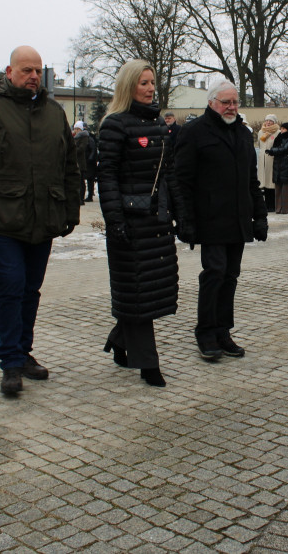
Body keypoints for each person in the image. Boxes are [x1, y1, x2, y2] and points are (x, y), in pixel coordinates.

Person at [0, 46, 81, 395]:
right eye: (26, 70)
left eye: (38, 71)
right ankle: (10, 362)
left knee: (30, 290)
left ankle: (23, 352)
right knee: (10, 288)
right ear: (9, 71)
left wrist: (71, 210)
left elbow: (70, 166)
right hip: (3, 221)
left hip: (44, 219)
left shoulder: (54, 113)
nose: (33, 76)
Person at [98, 60, 180, 388]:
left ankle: (121, 342)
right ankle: (148, 364)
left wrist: (175, 213)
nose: (149, 88)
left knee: (144, 291)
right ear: (128, 86)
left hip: (155, 220)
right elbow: (106, 177)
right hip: (129, 223)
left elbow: (168, 175)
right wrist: (115, 220)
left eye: (152, 82)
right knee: (137, 290)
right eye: (142, 83)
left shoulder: (159, 124)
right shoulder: (114, 125)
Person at [174, 79, 267, 361]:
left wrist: (260, 216)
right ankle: (205, 333)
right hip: (210, 218)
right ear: (212, 102)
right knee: (214, 273)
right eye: (226, 102)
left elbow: (252, 179)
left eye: (235, 102)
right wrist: (184, 220)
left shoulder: (242, 132)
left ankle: (223, 331)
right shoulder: (194, 132)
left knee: (230, 276)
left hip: (238, 219)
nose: (231, 107)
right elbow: (182, 181)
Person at [267, 122, 288, 215]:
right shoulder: (278, 137)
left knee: (286, 188)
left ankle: (285, 209)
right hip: (278, 164)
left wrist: (272, 151)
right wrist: (272, 150)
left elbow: (285, 149)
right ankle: (278, 208)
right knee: (278, 187)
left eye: (283, 129)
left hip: (286, 165)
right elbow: (275, 147)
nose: (281, 130)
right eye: (281, 128)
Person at [257, 114, 279, 213]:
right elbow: (259, 144)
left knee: (271, 183)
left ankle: (272, 205)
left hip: (272, 159)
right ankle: (266, 204)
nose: (268, 122)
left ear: (274, 122)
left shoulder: (277, 132)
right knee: (264, 183)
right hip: (262, 160)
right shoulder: (261, 132)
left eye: (270, 121)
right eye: (267, 120)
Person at [73, 121, 90, 204]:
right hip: (76, 162)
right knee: (77, 181)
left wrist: (72, 150)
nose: (75, 130)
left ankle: (81, 198)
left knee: (81, 181)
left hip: (80, 162)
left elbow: (81, 148)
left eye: (76, 128)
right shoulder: (75, 137)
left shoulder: (84, 137)